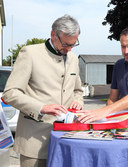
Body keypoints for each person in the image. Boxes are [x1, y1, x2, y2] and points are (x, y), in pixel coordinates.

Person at [2, 14, 83, 167]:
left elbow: (78, 91)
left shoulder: (73, 58)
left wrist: (77, 102)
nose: (69, 49)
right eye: (66, 44)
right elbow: (10, 93)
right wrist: (41, 108)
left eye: (73, 44)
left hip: (66, 139)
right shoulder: (29, 53)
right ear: (53, 35)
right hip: (34, 142)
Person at [77, 27, 128, 123]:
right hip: (125, 123)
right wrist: (102, 119)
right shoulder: (118, 65)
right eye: (123, 46)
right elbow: (112, 99)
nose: (126, 51)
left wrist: (104, 111)